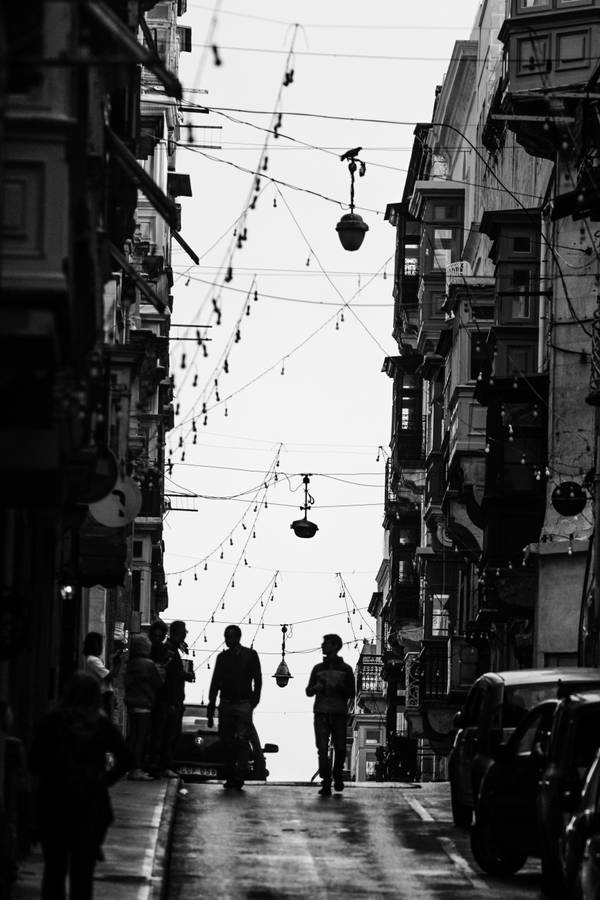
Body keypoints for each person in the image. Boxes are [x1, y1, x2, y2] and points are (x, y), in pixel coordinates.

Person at [29, 672, 132, 900]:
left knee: (54, 871)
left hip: (53, 804)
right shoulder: (99, 723)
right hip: (90, 805)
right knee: (82, 875)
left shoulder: (52, 721)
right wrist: (103, 781)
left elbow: (34, 761)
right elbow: (126, 758)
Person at [207, 625, 262, 790]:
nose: (227, 640)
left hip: (243, 703)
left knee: (242, 741)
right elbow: (215, 682)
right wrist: (212, 705)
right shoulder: (222, 658)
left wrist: (253, 702)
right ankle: (231, 775)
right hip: (226, 703)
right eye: (226, 636)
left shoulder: (250, 655)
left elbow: (257, 679)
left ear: (238, 637)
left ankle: (238, 776)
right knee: (227, 740)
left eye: (230, 637)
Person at [306, 634, 355, 796]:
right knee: (322, 748)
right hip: (321, 712)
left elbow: (352, 692)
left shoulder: (346, 670)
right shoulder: (318, 669)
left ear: (335, 645)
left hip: (339, 713)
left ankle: (337, 774)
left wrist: (340, 687)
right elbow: (308, 691)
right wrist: (317, 688)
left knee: (340, 748)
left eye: (325, 643)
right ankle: (326, 780)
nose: (322, 646)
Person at [150, 620, 195, 777]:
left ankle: (162, 765)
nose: (185, 634)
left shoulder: (173, 649)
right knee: (168, 734)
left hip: (170, 699)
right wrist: (186, 675)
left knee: (168, 733)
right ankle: (163, 766)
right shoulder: (169, 650)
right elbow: (170, 675)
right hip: (169, 700)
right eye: (184, 631)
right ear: (179, 632)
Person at [124, 633, 164, 780]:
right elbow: (158, 683)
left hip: (131, 702)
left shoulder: (131, 663)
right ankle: (137, 768)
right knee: (141, 738)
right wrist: (160, 670)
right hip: (144, 703)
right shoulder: (148, 663)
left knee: (133, 737)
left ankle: (130, 767)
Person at [82, 632, 123, 720]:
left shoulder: (93, 659)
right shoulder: (93, 660)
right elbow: (110, 676)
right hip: (103, 695)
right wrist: (118, 662)